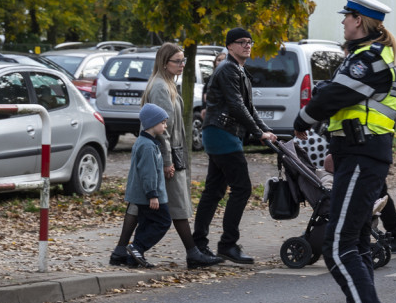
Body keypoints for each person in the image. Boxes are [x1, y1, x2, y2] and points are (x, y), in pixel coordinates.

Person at [294, 0, 396, 303]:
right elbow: (348, 106)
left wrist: (303, 119)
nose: (342, 22)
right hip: (354, 155)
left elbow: (335, 96)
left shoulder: (368, 58)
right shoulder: (364, 55)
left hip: (362, 157)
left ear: (359, 21)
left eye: (346, 17)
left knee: (338, 246)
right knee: (355, 244)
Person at [108, 44, 220, 269]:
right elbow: (161, 128)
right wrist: (168, 161)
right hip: (164, 154)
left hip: (163, 153)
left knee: (139, 204)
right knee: (176, 204)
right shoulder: (161, 87)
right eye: (177, 61)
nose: (182, 65)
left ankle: (120, 251)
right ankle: (192, 253)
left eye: (183, 60)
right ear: (164, 62)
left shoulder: (166, 83)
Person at [193, 28, 277, 265]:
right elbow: (236, 106)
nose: (247, 45)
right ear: (229, 46)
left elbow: (249, 108)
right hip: (222, 133)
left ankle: (199, 245)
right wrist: (258, 133)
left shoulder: (239, 70)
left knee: (214, 191)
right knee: (241, 188)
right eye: (242, 42)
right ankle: (227, 244)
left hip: (224, 133)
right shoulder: (228, 69)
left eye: (249, 42)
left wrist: (265, 131)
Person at [113, 104, 173, 269]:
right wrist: (152, 194)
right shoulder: (147, 146)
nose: (165, 126)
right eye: (163, 122)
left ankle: (133, 258)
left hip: (143, 195)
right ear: (152, 123)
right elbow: (148, 173)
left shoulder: (145, 142)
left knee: (145, 223)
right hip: (149, 196)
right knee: (163, 222)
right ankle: (137, 247)